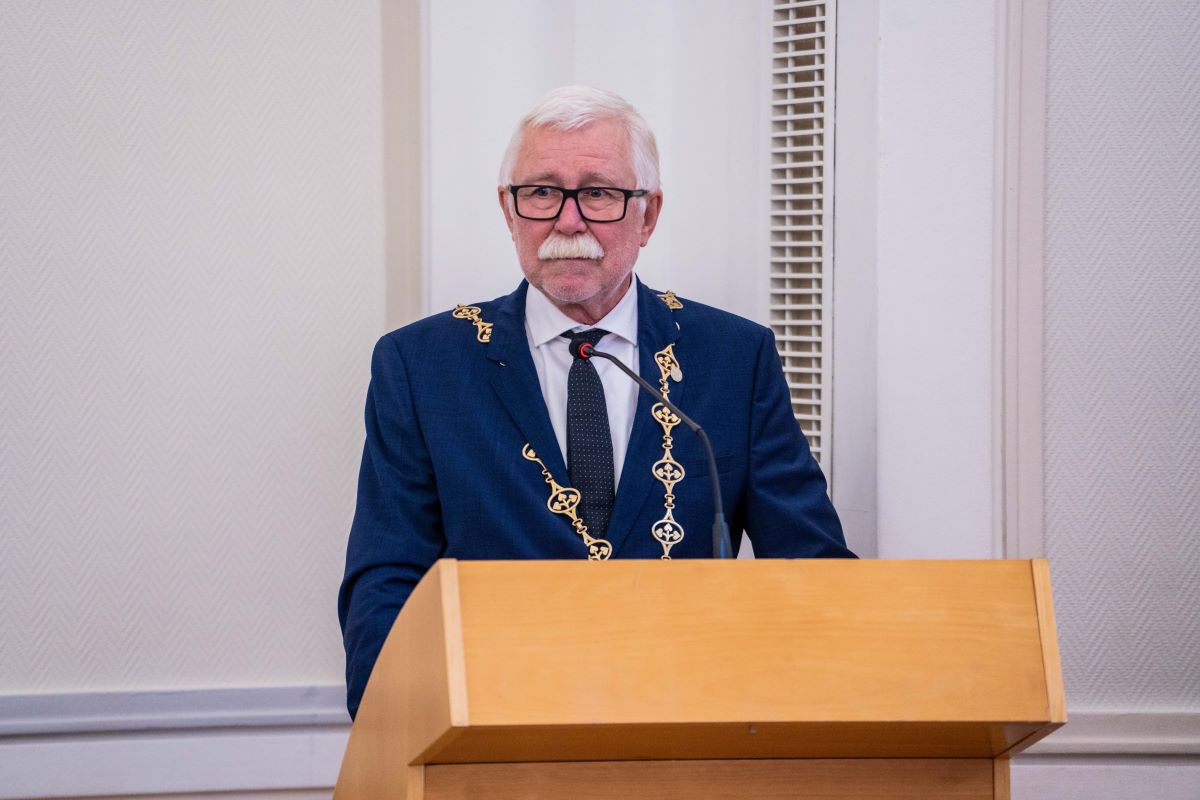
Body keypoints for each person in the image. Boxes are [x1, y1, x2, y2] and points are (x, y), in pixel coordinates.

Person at [338, 86, 854, 719]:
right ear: (508, 210)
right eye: (541, 192)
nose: (568, 221)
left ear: (649, 214)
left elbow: (810, 568)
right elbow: (387, 579)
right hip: (495, 730)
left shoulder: (732, 357)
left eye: (600, 194)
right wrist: (395, 727)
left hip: (688, 726)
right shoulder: (422, 365)